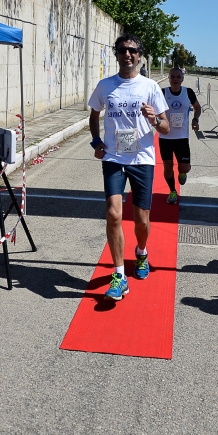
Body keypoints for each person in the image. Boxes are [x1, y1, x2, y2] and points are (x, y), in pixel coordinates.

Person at [88, 33, 169, 302]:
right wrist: (96, 141)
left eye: (132, 50)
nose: (127, 55)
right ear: (117, 54)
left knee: (142, 220)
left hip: (142, 159)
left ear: (139, 55)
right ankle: (120, 276)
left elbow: (167, 127)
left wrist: (154, 119)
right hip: (113, 157)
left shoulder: (150, 87)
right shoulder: (105, 85)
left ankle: (142, 253)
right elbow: (94, 114)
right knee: (113, 213)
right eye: (122, 50)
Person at [159, 67, 202, 204]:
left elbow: (197, 107)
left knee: (185, 168)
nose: (175, 79)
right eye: (173, 77)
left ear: (182, 79)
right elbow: (154, 110)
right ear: (169, 78)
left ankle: (181, 172)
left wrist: (195, 120)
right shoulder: (162, 92)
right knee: (167, 165)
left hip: (182, 137)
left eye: (178, 77)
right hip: (165, 137)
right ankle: (172, 191)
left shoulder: (188, 92)